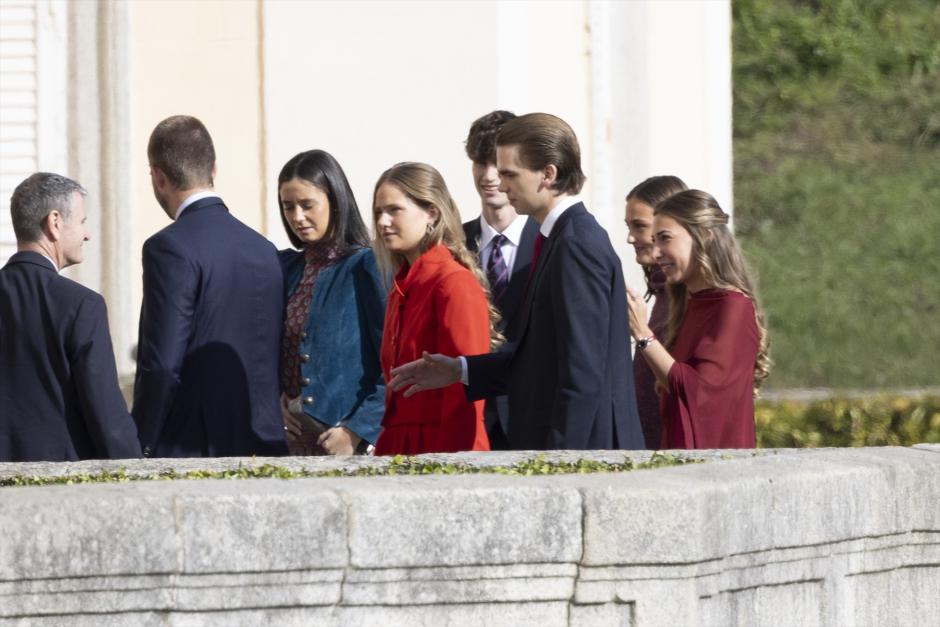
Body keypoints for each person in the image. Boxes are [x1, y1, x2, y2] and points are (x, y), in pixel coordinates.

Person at [389, 113, 645, 450]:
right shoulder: (560, 238)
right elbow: (540, 356)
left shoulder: (576, 243)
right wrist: (460, 370)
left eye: (510, 173)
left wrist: (561, 465)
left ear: (548, 174)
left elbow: (582, 373)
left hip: (583, 457)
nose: (500, 184)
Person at [133, 115, 287, 458]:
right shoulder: (264, 250)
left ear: (158, 177)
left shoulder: (167, 248)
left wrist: (139, 441)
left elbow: (162, 364)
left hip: (192, 448)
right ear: (213, 169)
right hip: (267, 443)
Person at [0, 173, 140, 461]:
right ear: (55, 223)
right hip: (58, 487)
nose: (87, 234)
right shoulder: (82, 305)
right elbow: (106, 416)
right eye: (82, 222)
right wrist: (140, 477)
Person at [625, 190, 771, 449]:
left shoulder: (733, 308)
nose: (656, 253)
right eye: (654, 240)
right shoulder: (694, 304)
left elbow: (698, 390)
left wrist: (643, 334)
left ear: (704, 236)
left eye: (665, 239)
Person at [372, 162, 496, 455]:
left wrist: (447, 468)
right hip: (400, 448)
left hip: (443, 448)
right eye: (378, 212)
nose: (382, 222)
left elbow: (465, 396)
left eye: (394, 210)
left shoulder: (452, 282)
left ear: (431, 212)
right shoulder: (403, 285)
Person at [276, 149, 386, 455]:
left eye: (307, 205)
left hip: (348, 445)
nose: (297, 217)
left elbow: (394, 364)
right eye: (288, 207)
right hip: (291, 444)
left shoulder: (365, 266)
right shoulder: (287, 268)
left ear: (334, 202)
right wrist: (276, 398)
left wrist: (356, 430)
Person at [462, 110, 540, 450]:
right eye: (481, 162)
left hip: (530, 418)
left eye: (499, 165)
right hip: (467, 419)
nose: (490, 176)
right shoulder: (453, 244)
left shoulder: (549, 243)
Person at [625, 175, 688, 449]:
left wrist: (641, 332)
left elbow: (685, 384)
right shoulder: (663, 291)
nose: (630, 238)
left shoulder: (687, 295)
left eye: (639, 227)